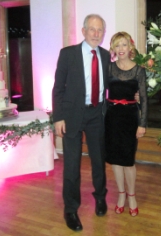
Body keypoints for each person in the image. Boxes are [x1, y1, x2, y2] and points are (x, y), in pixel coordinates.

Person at [52, 14, 110, 232]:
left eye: (100, 30)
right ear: (83, 31)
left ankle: (101, 197)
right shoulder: (68, 54)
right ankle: (71, 209)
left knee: (98, 160)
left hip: (97, 114)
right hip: (72, 115)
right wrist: (58, 117)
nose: (96, 34)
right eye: (92, 29)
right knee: (72, 165)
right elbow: (57, 88)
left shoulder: (105, 56)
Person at [105, 32, 147, 217]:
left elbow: (144, 99)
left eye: (124, 45)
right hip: (112, 117)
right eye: (117, 45)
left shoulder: (139, 70)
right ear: (113, 48)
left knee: (128, 160)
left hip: (130, 118)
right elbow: (100, 93)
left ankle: (132, 196)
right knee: (115, 159)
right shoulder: (108, 68)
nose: (121, 49)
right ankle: (121, 195)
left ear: (130, 47)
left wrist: (142, 124)